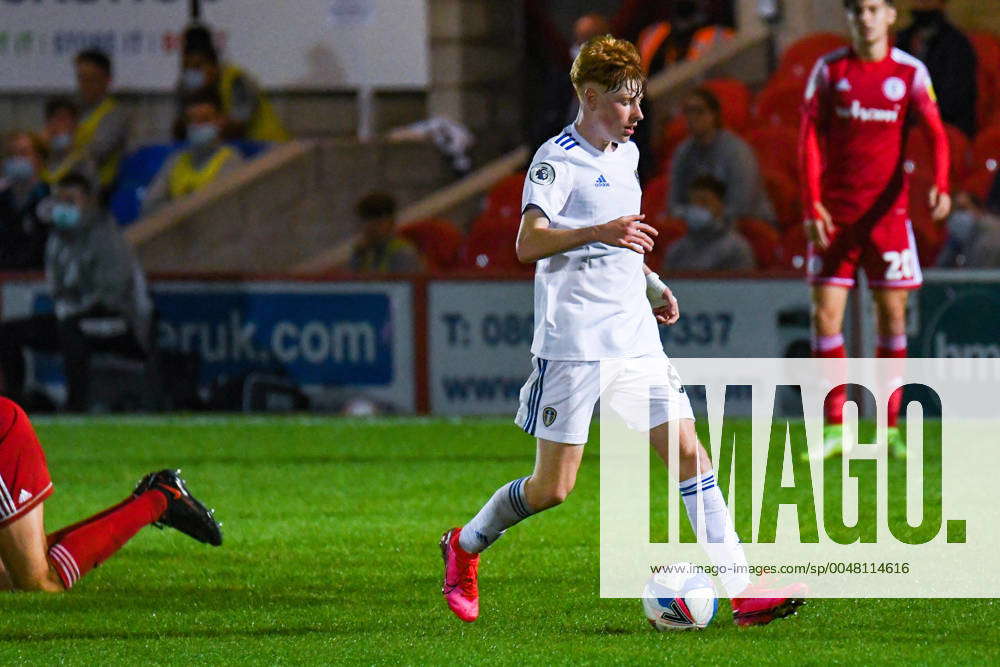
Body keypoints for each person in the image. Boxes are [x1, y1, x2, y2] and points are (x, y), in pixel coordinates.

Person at [439, 35, 805, 627]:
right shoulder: (557, 161)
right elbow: (527, 242)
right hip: (574, 344)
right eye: (624, 102)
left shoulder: (625, 156)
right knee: (552, 489)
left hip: (634, 338)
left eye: (639, 101)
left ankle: (742, 587)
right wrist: (598, 232)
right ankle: (465, 545)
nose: (638, 115)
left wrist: (651, 283)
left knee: (688, 452)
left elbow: (623, 243)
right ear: (588, 95)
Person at [799, 0, 950, 458]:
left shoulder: (909, 73)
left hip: (888, 219)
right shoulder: (829, 71)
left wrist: (941, 184)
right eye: (855, 11)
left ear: (888, 16)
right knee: (825, 316)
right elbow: (807, 135)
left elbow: (937, 133)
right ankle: (835, 426)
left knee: (894, 318)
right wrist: (812, 205)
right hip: (837, 217)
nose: (863, 18)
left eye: (871, 9)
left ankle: (888, 427)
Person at [0, 396, 220, 592]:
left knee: (37, 582)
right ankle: (150, 497)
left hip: (5, 435)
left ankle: (159, 500)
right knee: (10, 575)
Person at [0, 172, 155, 412]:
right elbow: (57, 288)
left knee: (72, 331)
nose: (63, 207)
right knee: (9, 332)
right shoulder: (57, 238)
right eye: (60, 201)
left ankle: (76, 406)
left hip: (119, 320)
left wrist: (75, 307)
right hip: (73, 315)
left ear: (88, 201)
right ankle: (13, 406)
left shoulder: (107, 235)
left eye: (71, 200)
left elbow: (111, 293)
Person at [668, 88, 775, 224]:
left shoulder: (737, 152)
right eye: (688, 112)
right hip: (699, 228)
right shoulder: (683, 152)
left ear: (714, 114)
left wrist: (708, 217)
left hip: (747, 226)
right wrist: (694, 216)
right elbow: (674, 204)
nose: (692, 118)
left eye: (699, 111)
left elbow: (742, 205)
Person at [178, 24, 289, 143]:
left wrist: (208, 129)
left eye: (197, 67)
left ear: (214, 65)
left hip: (268, 147)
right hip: (237, 152)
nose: (192, 73)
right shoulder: (188, 88)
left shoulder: (236, 80)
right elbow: (181, 127)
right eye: (186, 67)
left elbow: (238, 125)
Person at [142, 91, 245, 216]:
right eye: (192, 120)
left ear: (220, 121)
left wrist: (175, 209)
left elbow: (220, 210)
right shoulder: (176, 160)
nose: (197, 126)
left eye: (204, 120)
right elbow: (150, 206)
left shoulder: (232, 161)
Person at [45, 49, 130, 194]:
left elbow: (97, 152)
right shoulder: (74, 109)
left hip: (98, 188)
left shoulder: (115, 114)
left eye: (91, 79)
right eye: (81, 79)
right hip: (61, 181)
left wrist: (66, 143)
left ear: (107, 80)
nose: (85, 85)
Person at [894, 0, 977, 138]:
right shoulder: (903, 39)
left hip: (946, 125)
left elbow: (956, 99)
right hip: (905, 123)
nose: (922, 4)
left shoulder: (957, 44)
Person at [664, 174, 756, 271]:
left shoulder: (736, 249)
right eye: (693, 202)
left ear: (721, 206)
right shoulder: (677, 251)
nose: (697, 208)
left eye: (704, 202)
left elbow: (743, 285)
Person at [0, 131, 50, 270]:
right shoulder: (2, 198)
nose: (17, 159)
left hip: (40, 278)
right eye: (12, 154)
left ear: (39, 160)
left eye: (23, 153)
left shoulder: (51, 198)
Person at [349, 192, 425, 274]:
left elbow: (402, 285)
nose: (371, 229)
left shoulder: (403, 253)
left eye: (378, 223)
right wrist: (359, 255)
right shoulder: (362, 251)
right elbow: (351, 281)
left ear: (392, 223)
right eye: (366, 223)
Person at [935, 191, 1000, 268]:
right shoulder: (956, 239)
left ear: (978, 210)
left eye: (963, 209)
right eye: (956, 209)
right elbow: (941, 269)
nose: (959, 215)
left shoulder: (992, 233)